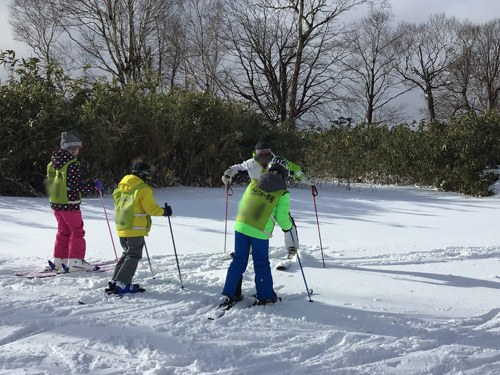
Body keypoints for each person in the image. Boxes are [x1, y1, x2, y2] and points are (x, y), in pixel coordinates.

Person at [221, 157, 299, 306]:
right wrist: (289, 227)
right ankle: (266, 296)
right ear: (285, 174)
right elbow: (282, 219)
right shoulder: (283, 193)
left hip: (241, 225)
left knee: (239, 260)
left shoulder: (254, 182)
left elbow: (245, 201)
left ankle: (231, 293)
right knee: (261, 263)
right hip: (260, 230)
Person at [221, 141, 310, 260]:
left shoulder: (276, 161)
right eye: (259, 154)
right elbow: (238, 167)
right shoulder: (251, 163)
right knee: (254, 220)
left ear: (270, 152)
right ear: (255, 154)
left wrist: (305, 178)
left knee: (285, 219)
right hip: (257, 197)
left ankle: (292, 248)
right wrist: (228, 173)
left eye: (266, 153)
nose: (263, 157)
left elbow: (293, 169)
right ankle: (249, 247)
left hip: (276, 195)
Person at [106, 161, 172, 295]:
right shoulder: (143, 188)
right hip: (134, 227)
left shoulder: (121, 188)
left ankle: (116, 280)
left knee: (127, 253)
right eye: (148, 174)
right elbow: (150, 209)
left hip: (122, 225)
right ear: (143, 175)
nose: (149, 178)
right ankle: (122, 283)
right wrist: (164, 211)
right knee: (134, 254)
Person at [46, 131, 104, 272]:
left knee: (63, 231)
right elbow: (75, 187)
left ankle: (60, 260)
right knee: (77, 231)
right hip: (69, 204)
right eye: (78, 148)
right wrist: (93, 185)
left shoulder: (52, 164)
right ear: (70, 149)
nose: (78, 151)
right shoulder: (71, 164)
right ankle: (76, 262)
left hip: (56, 203)